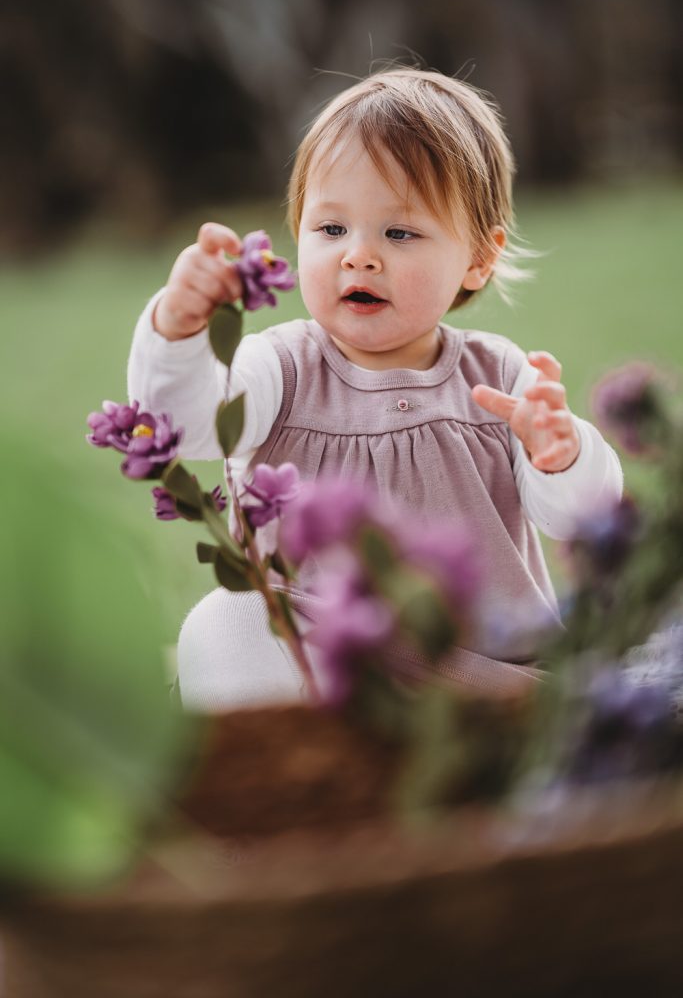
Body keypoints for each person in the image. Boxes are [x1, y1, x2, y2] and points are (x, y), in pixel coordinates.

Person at [128, 68, 622, 710]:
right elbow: (182, 423)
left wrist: (561, 456)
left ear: (479, 257)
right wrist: (179, 329)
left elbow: (585, 518)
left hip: (484, 685)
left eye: (399, 233)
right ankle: (301, 756)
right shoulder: (280, 367)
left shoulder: (500, 379)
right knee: (225, 622)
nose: (358, 256)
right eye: (331, 229)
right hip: (329, 671)